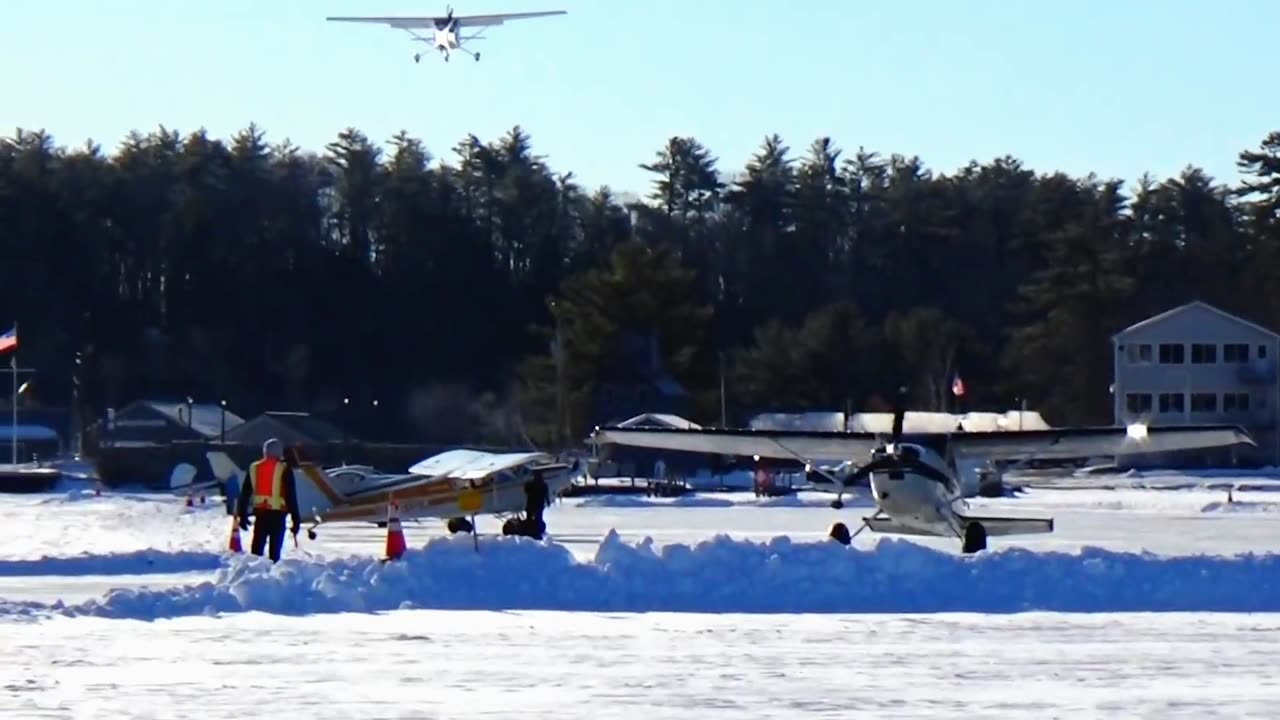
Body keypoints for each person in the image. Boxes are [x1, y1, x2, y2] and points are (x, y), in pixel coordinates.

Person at [236, 438, 301, 562]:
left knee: (257, 549)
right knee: (274, 551)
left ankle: (254, 573)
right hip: (278, 514)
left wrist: (242, 515)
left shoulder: (254, 467)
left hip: (260, 513)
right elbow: (290, 496)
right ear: (280, 452)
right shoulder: (284, 468)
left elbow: (245, 493)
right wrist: (296, 519)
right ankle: (272, 574)